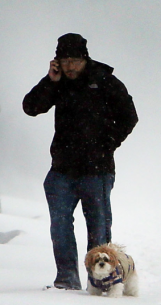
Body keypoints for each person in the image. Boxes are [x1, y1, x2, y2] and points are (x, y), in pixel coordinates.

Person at [23, 33, 138, 290]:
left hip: (97, 171)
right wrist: (49, 82)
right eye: (65, 61)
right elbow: (31, 107)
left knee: (98, 229)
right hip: (62, 170)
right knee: (60, 226)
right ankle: (66, 281)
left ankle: (99, 284)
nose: (70, 66)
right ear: (57, 62)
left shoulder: (104, 80)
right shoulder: (58, 82)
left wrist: (107, 143)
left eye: (75, 60)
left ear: (84, 59)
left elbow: (129, 116)